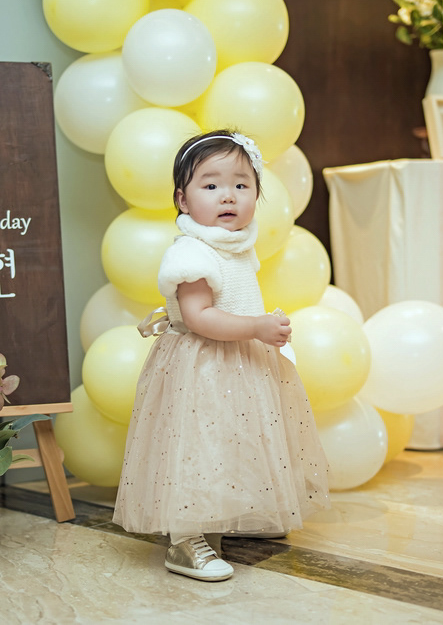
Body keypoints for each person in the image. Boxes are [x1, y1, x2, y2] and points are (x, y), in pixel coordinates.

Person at [113, 130, 330, 582]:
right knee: (198, 448)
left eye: (241, 185)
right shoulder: (191, 253)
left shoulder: (235, 245)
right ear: (183, 200)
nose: (227, 195)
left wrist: (258, 330)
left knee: (237, 443)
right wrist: (256, 327)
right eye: (210, 185)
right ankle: (186, 539)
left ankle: (240, 512)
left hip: (239, 365)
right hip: (202, 367)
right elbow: (199, 317)